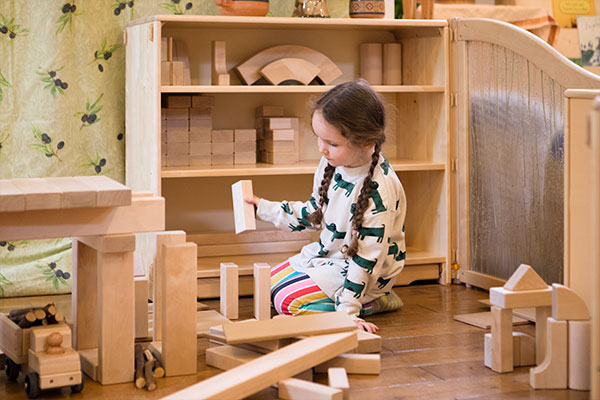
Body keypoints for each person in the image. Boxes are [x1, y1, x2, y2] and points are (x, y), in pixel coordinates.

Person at [245, 80, 406, 333]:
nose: (322, 149)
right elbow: (315, 213)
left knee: (286, 301)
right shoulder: (332, 163)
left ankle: (374, 302)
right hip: (331, 256)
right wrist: (264, 209)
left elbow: (365, 260)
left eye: (331, 143)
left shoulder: (379, 191)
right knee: (267, 283)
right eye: (319, 139)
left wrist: (348, 312)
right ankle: (345, 301)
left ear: (364, 141)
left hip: (363, 272)